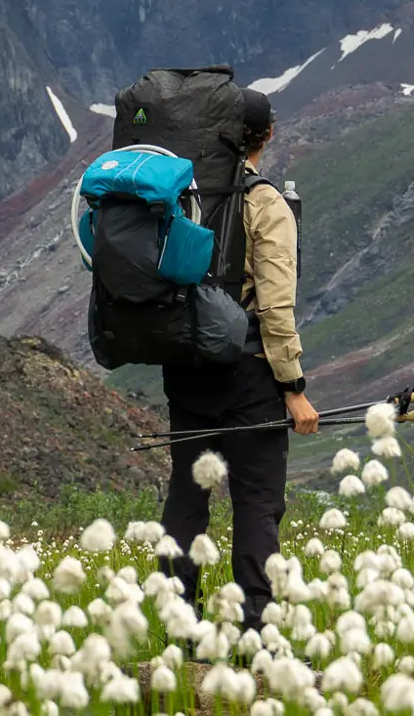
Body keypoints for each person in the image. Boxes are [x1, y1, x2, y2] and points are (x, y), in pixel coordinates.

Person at [160, 87, 318, 633]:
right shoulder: (264, 202)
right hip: (249, 373)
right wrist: (293, 386)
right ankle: (257, 629)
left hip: (185, 370)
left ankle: (178, 625)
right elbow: (275, 305)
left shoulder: (183, 199)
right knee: (256, 502)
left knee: (187, 496)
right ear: (266, 135)